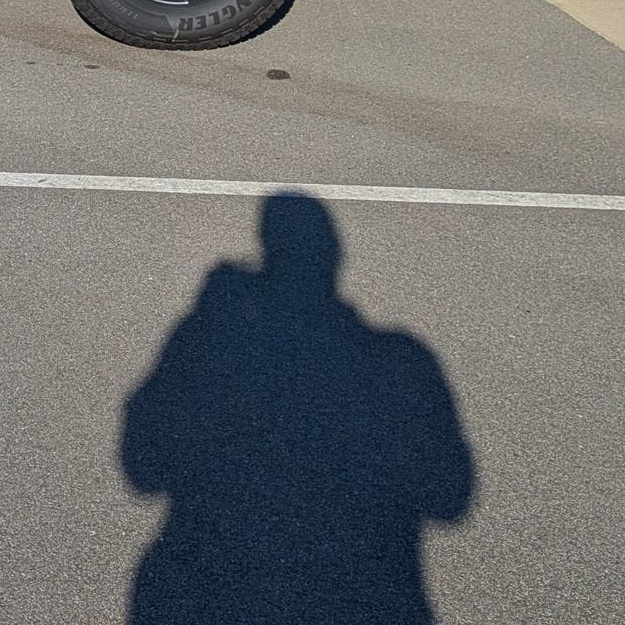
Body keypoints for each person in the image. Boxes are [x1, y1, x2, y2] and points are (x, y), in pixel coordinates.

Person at [120, 192, 474, 624]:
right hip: (364, 599)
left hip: (213, 593)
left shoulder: (208, 344)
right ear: (333, 259)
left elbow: (144, 468)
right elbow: (450, 498)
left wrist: (202, 325)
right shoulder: (402, 362)